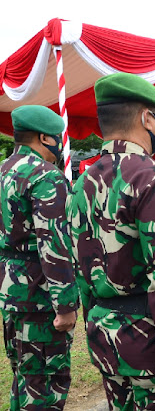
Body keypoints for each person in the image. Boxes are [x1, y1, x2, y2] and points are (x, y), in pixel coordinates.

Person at [68, 73, 155, 409]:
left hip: (106, 340)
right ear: (147, 117)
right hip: (153, 350)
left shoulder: (81, 184)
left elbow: (82, 272)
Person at [0, 105, 78, 409]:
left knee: (24, 378)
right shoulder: (46, 176)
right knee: (45, 387)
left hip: (12, 293)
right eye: (57, 137)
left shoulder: (4, 170)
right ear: (45, 137)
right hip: (40, 299)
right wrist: (66, 305)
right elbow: (54, 245)